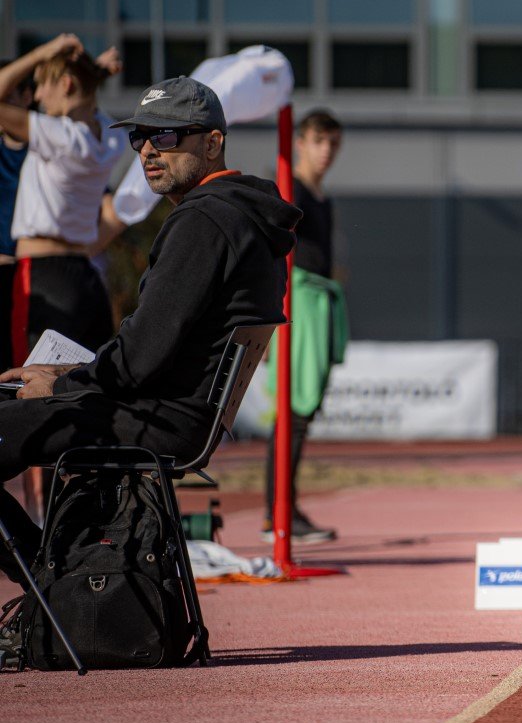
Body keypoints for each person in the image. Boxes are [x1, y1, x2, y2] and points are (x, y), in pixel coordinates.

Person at [0, 75, 298, 586]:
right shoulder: (242, 217)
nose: (145, 151)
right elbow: (155, 349)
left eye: (164, 137)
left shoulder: (205, 222)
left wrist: (62, 384)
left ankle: (50, 597)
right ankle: (55, 594)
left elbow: (141, 358)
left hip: (159, 418)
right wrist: (73, 371)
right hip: (173, 412)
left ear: (212, 142)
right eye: (139, 137)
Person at [0, 35, 125, 362]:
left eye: (42, 85)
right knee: (81, 392)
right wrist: (92, 74)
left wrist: (42, 52)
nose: (38, 96)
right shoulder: (111, 137)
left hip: (42, 275)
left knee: (25, 385)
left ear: (66, 84)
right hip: (86, 278)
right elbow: (87, 107)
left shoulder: (58, 136)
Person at [262, 109, 349, 545]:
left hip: (317, 300)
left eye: (333, 143)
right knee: (293, 411)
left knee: (302, 412)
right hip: (295, 302)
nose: (326, 151)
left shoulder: (320, 196)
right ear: (299, 141)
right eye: (319, 141)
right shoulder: (288, 188)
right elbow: (266, 247)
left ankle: (284, 507)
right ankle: (277, 512)